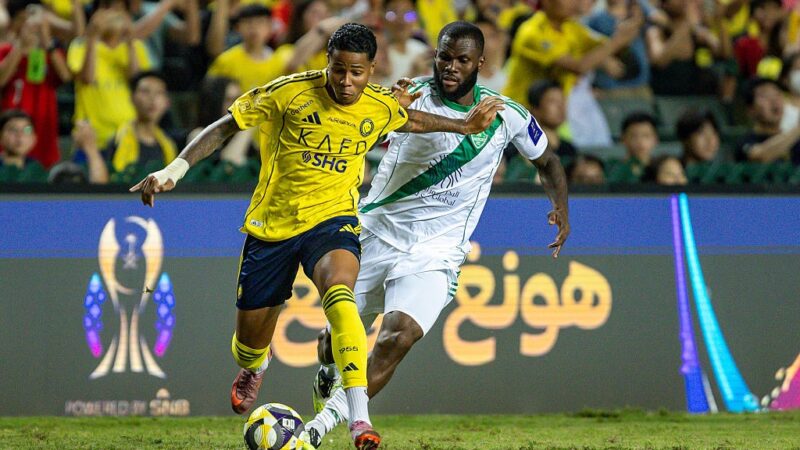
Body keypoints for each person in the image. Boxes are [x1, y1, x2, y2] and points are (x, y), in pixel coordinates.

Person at [130, 23, 504, 450]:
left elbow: (413, 119)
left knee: (341, 294)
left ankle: (359, 420)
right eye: (339, 70)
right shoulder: (287, 92)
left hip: (334, 220)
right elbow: (224, 126)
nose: (347, 82)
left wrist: (465, 128)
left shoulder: (378, 103)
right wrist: (172, 170)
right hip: (274, 225)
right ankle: (256, 363)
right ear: (326, 63)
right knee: (248, 344)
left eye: (357, 73)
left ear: (371, 70)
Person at [303, 21, 569, 449]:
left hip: (436, 252)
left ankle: (321, 427)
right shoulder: (404, 97)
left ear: (479, 63)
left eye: (462, 60)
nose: (450, 67)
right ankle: (331, 374)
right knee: (331, 342)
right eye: (444, 57)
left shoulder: (508, 116)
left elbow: (549, 162)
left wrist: (561, 209)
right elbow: (354, 127)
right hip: (376, 233)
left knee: (397, 336)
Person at [737, 77, 800, 164]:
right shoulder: (745, 141)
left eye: (777, 94)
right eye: (765, 96)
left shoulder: (795, 140)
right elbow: (761, 156)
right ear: (750, 110)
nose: (774, 100)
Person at [0, 109, 46, 182]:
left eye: (27, 130)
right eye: (13, 130)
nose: (20, 135)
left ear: (34, 138)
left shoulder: (36, 169)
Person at [620, 111, 659, 178]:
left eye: (646, 136)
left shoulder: (661, 168)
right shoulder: (615, 168)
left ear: (655, 139)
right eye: (634, 136)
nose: (640, 141)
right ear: (623, 139)